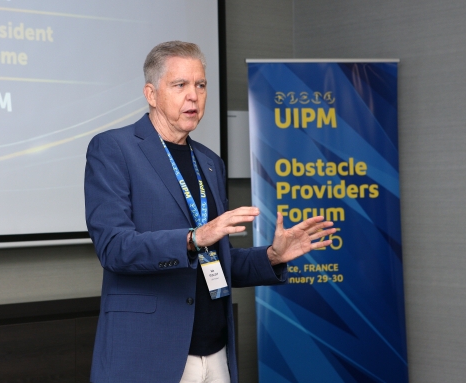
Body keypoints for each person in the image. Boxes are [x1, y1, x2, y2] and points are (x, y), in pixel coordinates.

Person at [84, 41, 336, 383]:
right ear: (151, 94)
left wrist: (272, 256)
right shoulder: (114, 148)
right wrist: (192, 238)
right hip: (152, 352)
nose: (194, 96)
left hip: (216, 350)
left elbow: (218, 258)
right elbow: (114, 248)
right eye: (180, 85)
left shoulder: (210, 162)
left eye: (200, 85)